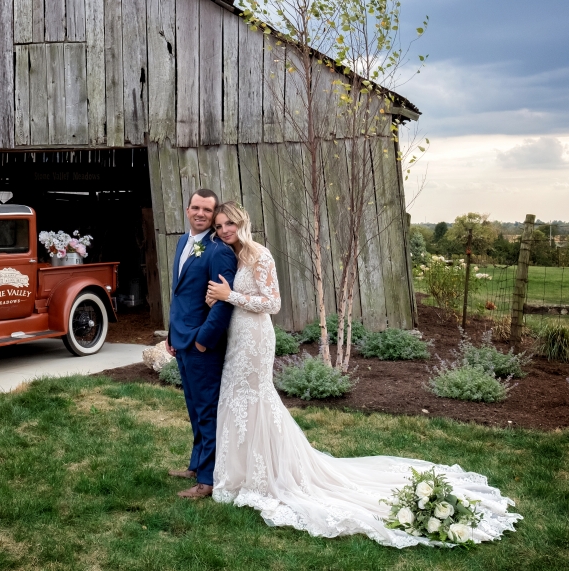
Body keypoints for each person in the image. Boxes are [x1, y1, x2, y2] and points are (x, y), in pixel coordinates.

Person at [204, 202, 522, 546]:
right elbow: (237, 297)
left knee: (257, 399)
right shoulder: (232, 257)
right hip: (238, 334)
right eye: (220, 226)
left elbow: (273, 303)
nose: (224, 230)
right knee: (236, 399)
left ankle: (269, 474)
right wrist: (219, 299)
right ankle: (242, 472)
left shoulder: (259, 254)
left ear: (243, 221)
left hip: (256, 337)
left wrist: (230, 294)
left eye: (229, 223)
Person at [165, 189, 240, 499]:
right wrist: (172, 334)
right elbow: (181, 294)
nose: (200, 213)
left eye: (207, 210)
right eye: (195, 207)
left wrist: (202, 342)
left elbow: (224, 302)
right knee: (194, 407)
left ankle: (208, 481)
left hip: (202, 345)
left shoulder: (218, 250)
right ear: (187, 209)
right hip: (180, 339)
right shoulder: (184, 242)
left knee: (208, 411)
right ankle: (197, 464)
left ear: (213, 215)